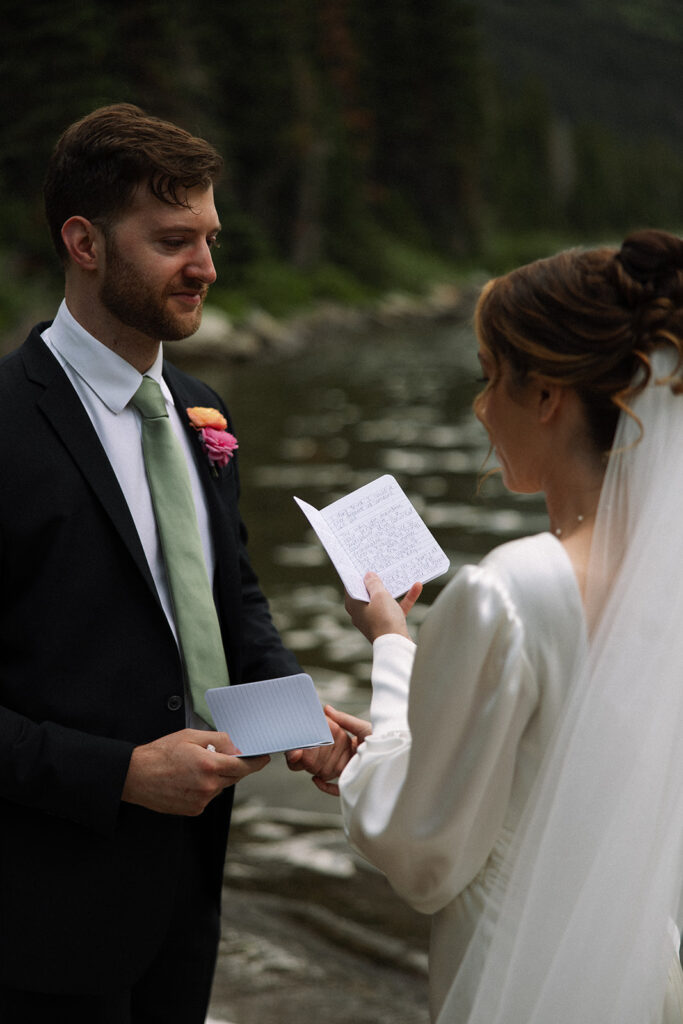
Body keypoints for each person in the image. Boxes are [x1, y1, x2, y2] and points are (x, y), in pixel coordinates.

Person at [0, 103, 348, 1023]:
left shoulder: (200, 408)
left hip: (187, 894)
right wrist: (115, 772)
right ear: (83, 240)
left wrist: (293, 713)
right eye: (171, 241)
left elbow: (222, 594)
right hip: (33, 913)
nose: (206, 267)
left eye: (209, 238)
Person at [322, 229, 683, 1023]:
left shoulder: (512, 591)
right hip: (637, 970)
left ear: (546, 395)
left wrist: (386, 655)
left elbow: (418, 846)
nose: (480, 408)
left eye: (490, 380)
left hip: (517, 979)